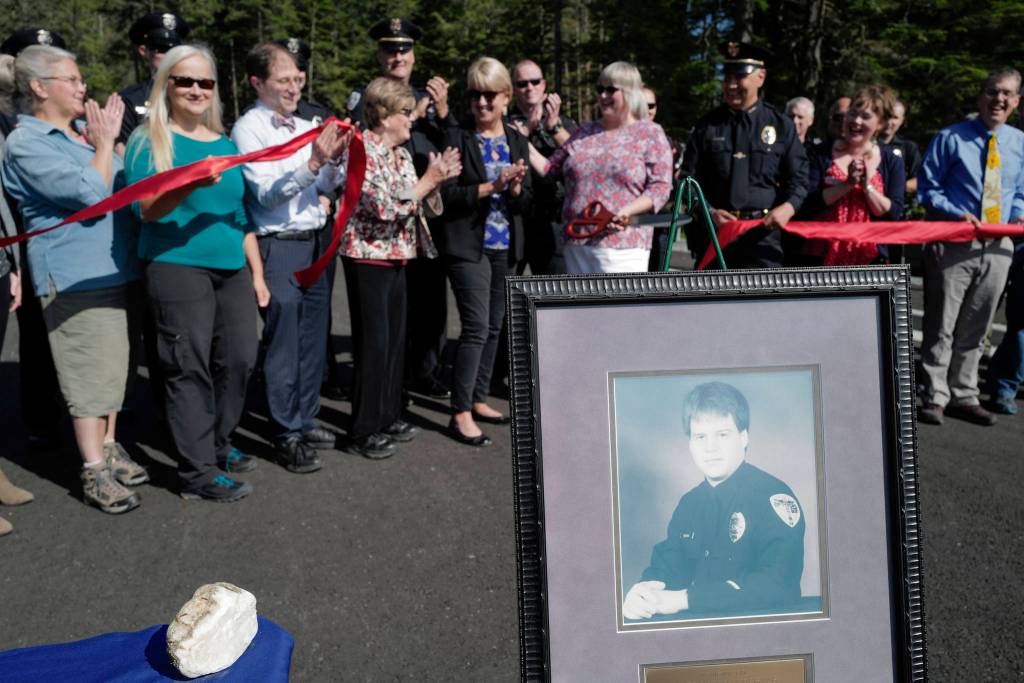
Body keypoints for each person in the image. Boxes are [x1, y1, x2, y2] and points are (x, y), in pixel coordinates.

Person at [1, 45, 148, 514]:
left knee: (113, 371)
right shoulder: (27, 142)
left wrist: (114, 146)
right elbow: (89, 194)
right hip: (75, 277)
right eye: (71, 79)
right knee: (87, 375)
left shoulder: (81, 134)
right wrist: (106, 145)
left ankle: (107, 446)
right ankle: (93, 469)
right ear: (39, 88)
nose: (82, 87)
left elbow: (126, 184)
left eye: (80, 78)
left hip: (115, 267)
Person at [125, 44, 267, 500]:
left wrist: (258, 275)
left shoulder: (224, 144)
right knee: (188, 367)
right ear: (166, 84)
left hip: (233, 269)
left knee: (241, 359)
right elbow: (144, 211)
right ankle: (197, 473)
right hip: (177, 267)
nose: (195, 89)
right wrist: (185, 182)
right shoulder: (149, 139)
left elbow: (239, 215)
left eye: (204, 82)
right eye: (184, 80)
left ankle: (217, 443)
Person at [233, 42, 353, 472]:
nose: (294, 87)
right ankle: (283, 431)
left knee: (311, 338)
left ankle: (304, 417)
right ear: (257, 82)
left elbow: (322, 185)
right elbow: (265, 194)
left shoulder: (304, 124)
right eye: (283, 80)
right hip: (278, 243)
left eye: (298, 79)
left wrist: (334, 163)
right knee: (282, 342)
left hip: (313, 241)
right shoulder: (249, 129)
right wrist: (315, 162)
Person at [339, 77, 460, 458]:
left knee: (394, 342)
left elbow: (418, 204)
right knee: (373, 344)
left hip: (399, 254)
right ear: (383, 115)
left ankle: (388, 414)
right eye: (405, 113)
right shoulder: (361, 149)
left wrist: (435, 183)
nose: (412, 120)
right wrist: (428, 182)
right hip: (367, 257)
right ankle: (362, 429)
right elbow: (385, 206)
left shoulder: (402, 155)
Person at [622, 381, 805, 620]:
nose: (710, 448)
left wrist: (685, 599)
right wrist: (643, 593)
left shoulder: (773, 497)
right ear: (690, 445)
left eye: (722, 434)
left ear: (744, 438)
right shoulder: (690, 505)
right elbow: (667, 567)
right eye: (700, 437)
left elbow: (778, 584)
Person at [348, 18, 456, 400]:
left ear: (413, 54)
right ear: (379, 54)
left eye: (404, 49)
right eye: (390, 49)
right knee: (382, 320)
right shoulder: (367, 98)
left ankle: (423, 372)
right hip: (380, 226)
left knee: (428, 303)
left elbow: (454, 142)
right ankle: (384, 389)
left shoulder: (431, 97)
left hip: (423, 219)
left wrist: (442, 114)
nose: (398, 56)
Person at [917, 68, 1024, 427]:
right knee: (941, 324)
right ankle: (933, 394)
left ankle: (964, 392)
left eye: (1007, 94)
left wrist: (1017, 218)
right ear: (980, 96)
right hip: (954, 243)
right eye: (992, 92)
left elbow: (1021, 192)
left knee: (979, 324)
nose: (999, 99)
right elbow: (928, 189)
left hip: (999, 247)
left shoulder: (1019, 144)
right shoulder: (951, 138)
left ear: (1017, 102)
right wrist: (956, 214)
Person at [439, 57, 530, 445]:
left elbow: (527, 203)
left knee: (494, 327)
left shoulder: (515, 140)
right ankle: (459, 411)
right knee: (476, 327)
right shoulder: (458, 138)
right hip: (467, 245)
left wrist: (513, 191)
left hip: (505, 245)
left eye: (490, 95)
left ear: (506, 97)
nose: (482, 103)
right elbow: (446, 195)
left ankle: (477, 398)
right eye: (475, 94)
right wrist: (491, 188)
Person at [529, 61, 672, 274]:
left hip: (623, 246)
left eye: (610, 90)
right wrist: (520, 140)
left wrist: (627, 211)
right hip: (576, 244)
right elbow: (550, 169)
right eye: (600, 89)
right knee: (577, 308)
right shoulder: (585, 131)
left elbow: (660, 188)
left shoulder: (649, 133)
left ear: (631, 92)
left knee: (616, 308)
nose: (603, 96)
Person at [680, 42, 808, 268]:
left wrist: (788, 207)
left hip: (763, 236)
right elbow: (687, 181)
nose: (731, 85)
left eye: (739, 78)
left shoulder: (781, 125)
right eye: (727, 78)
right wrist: (709, 213)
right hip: (717, 235)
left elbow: (799, 178)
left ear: (760, 77)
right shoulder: (707, 126)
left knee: (763, 302)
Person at [1, 28, 67, 452]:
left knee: (66, 323)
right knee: (36, 334)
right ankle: (41, 418)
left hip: (54, 233)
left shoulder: (55, 112)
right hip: (17, 237)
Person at [797, 85, 905, 265]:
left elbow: (893, 213)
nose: (856, 121)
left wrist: (867, 187)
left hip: (870, 261)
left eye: (866, 117)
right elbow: (806, 204)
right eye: (853, 113)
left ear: (880, 123)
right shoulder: (819, 154)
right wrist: (846, 185)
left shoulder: (891, 161)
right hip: (820, 257)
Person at [508, 59, 575, 276]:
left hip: (553, 221)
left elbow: (580, 159)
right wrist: (522, 133)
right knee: (508, 301)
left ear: (544, 85)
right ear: (513, 88)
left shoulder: (563, 123)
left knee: (555, 298)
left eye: (535, 82)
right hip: (515, 222)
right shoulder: (503, 124)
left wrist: (553, 127)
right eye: (522, 83)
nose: (529, 88)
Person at [118, 12, 190, 147]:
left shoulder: (194, 93)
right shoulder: (129, 100)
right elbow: (125, 150)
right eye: (161, 49)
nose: (169, 55)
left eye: (174, 49)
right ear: (143, 50)